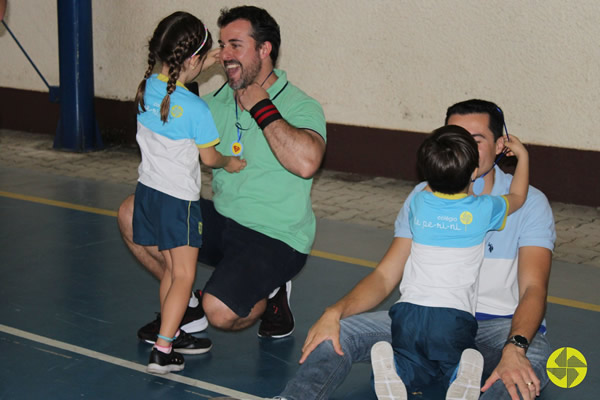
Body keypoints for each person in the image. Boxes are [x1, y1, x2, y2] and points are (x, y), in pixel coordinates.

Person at [277, 99, 555, 400]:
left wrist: (515, 346)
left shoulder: (531, 204)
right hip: (426, 314)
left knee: (522, 373)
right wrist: (335, 311)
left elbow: (533, 289)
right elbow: (385, 276)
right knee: (336, 334)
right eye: (454, 138)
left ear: (502, 145)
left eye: (475, 140)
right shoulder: (422, 196)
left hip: (500, 328)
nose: (463, 147)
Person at [117, 5, 327, 351]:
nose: (226, 55)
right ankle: (185, 303)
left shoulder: (300, 105)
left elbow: (307, 164)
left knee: (221, 312)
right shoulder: (210, 104)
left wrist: (262, 107)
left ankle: (272, 290)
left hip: (275, 236)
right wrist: (189, 63)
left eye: (236, 46)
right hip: (222, 220)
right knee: (131, 212)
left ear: (264, 49)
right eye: (221, 46)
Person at [371, 125, 529, 400]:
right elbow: (518, 198)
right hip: (453, 315)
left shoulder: (419, 202)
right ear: (473, 173)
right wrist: (522, 157)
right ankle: (461, 371)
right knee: (450, 363)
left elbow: (437, 180)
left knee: (413, 363)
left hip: (407, 312)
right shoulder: (482, 209)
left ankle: (395, 368)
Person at [133, 11, 246, 374]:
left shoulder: (147, 87)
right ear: (194, 60)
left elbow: (173, 76)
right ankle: (163, 350)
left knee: (171, 269)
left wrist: (201, 60)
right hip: (177, 202)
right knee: (184, 275)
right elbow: (210, 157)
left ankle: (170, 330)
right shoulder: (196, 109)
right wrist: (230, 162)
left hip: (148, 193)